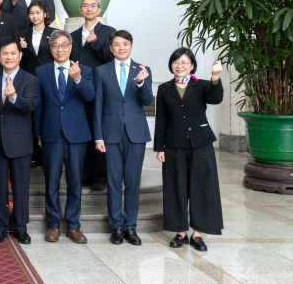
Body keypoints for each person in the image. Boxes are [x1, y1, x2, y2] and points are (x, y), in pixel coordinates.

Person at [155, 49, 224, 251]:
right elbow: (161, 120)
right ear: (171, 65)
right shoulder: (164, 88)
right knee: (175, 188)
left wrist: (215, 77)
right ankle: (180, 232)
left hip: (201, 144)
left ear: (192, 65)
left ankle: (198, 234)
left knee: (202, 188)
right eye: (176, 62)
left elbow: (216, 98)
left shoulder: (201, 85)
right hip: (174, 145)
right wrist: (159, 147)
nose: (180, 66)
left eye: (184, 62)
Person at [33, 31, 94, 244]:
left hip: (77, 133)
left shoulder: (84, 70)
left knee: (75, 181)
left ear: (70, 47)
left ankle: (73, 226)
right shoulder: (41, 71)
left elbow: (90, 96)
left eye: (64, 45)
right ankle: (54, 225)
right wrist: (38, 133)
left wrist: (78, 79)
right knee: (52, 181)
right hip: (51, 132)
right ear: (50, 48)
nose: (60, 49)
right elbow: (38, 105)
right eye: (55, 45)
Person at [93, 30, 153, 246]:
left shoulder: (143, 70)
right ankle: (117, 226)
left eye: (125, 44)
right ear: (111, 48)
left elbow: (148, 100)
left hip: (136, 133)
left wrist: (141, 83)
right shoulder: (101, 71)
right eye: (117, 44)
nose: (121, 48)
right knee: (113, 181)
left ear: (131, 46)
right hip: (110, 133)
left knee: (133, 182)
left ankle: (131, 226)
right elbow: (97, 105)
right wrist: (98, 136)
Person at [0, 38, 40, 244]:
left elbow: (30, 106)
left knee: (21, 187)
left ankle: (20, 227)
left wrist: (14, 97)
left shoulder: (31, 80)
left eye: (13, 53)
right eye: (4, 53)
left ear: (20, 55)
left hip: (20, 143)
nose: (9, 57)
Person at [70, 0, 116, 191]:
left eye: (93, 5)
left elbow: (113, 58)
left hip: (100, 88)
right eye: (85, 5)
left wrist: (96, 44)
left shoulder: (109, 32)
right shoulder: (72, 35)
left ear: (99, 9)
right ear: (80, 10)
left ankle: (101, 174)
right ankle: (87, 172)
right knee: (84, 131)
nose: (89, 8)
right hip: (78, 89)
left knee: (99, 131)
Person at [20, 0, 57, 74]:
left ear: (45, 14)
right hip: (29, 73)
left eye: (38, 12)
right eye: (31, 13)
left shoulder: (54, 33)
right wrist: (22, 48)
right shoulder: (23, 34)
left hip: (49, 72)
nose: (35, 16)